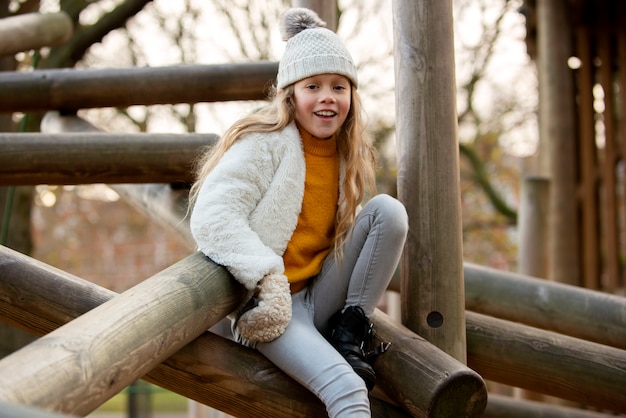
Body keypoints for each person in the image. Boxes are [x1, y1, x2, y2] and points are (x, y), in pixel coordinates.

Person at [189, 7, 408, 418]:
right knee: (348, 392)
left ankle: (350, 331)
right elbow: (213, 217)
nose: (327, 96)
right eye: (313, 86)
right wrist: (267, 278)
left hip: (320, 294)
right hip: (274, 310)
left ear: (351, 97)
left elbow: (347, 237)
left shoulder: (346, 155)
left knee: (387, 212)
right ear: (291, 94)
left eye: (339, 87)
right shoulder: (265, 143)